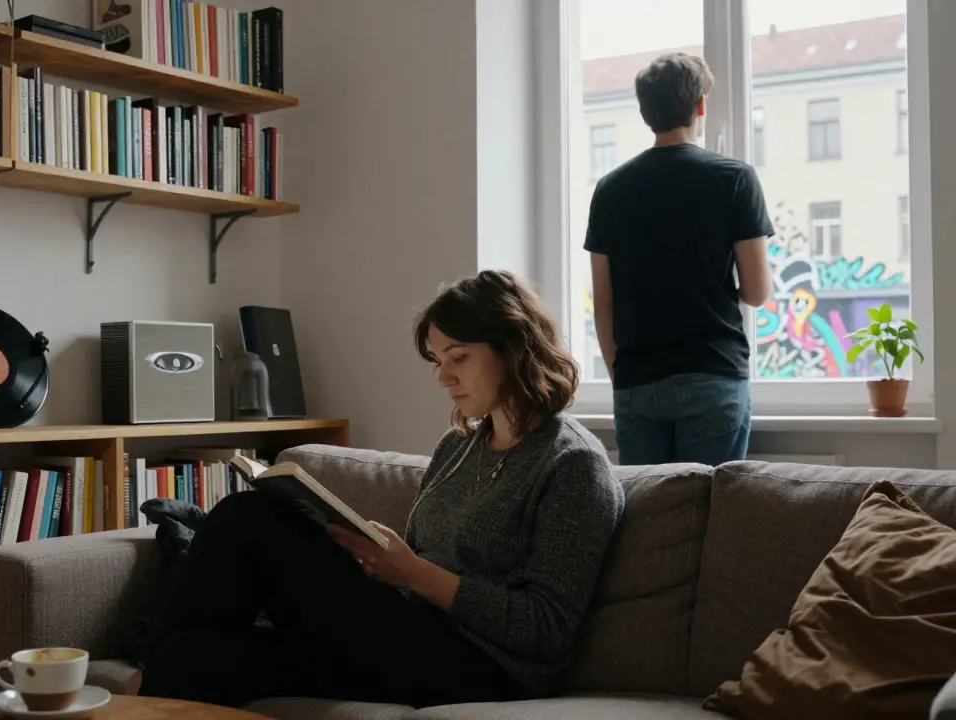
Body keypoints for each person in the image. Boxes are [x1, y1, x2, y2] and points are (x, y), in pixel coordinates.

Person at [136, 270, 624, 708]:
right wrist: (375, 557)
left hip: (484, 668)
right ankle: (148, 679)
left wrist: (414, 573)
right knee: (197, 659)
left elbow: (546, 628)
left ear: (514, 349)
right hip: (409, 630)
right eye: (438, 360)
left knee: (250, 518)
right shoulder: (459, 447)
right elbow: (421, 560)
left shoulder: (572, 464)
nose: (444, 377)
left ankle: (146, 675)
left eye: (459, 357)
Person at [586, 52, 773, 466]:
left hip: (636, 383)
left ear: (644, 113)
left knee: (647, 507)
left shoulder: (610, 190)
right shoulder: (735, 178)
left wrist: (624, 378)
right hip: (712, 375)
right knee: (709, 503)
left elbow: (603, 301)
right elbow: (758, 292)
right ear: (700, 105)